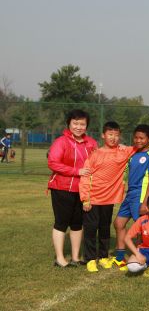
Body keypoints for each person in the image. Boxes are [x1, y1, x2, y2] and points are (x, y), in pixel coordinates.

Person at [79, 121, 139, 273]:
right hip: (92, 199)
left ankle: (103, 256)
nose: (113, 138)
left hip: (109, 200)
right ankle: (90, 259)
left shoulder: (123, 152)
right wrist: (85, 198)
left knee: (105, 228)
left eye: (116, 135)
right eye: (110, 134)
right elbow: (85, 177)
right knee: (91, 229)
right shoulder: (95, 155)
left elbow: (143, 146)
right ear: (103, 135)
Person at [47, 109, 97, 267]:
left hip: (83, 190)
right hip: (62, 188)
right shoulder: (61, 142)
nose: (78, 127)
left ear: (87, 125)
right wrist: (77, 171)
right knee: (61, 223)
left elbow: (98, 162)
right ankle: (60, 259)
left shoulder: (91, 143)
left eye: (82, 124)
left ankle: (75, 257)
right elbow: (53, 163)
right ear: (69, 124)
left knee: (77, 223)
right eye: (75, 123)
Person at [112, 124, 149, 269]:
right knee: (118, 223)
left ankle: (144, 257)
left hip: (140, 195)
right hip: (130, 194)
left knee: (141, 227)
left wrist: (145, 202)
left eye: (142, 138)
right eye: (136, 137)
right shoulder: (133, 153)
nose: (138, 140)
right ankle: (120, 258)